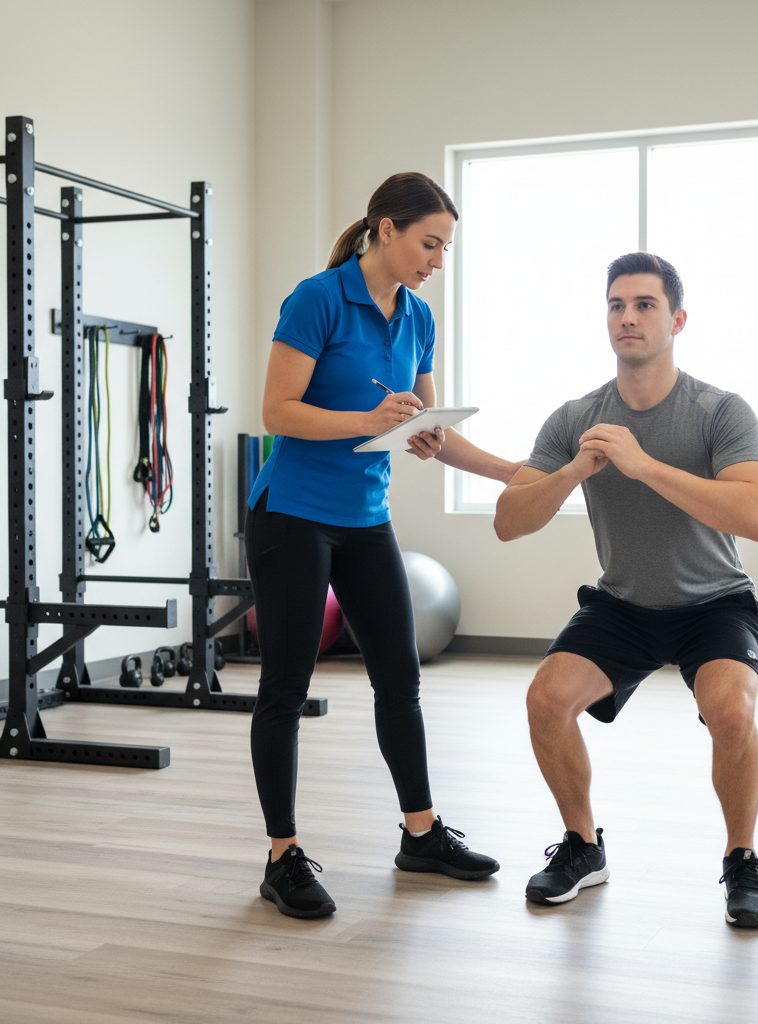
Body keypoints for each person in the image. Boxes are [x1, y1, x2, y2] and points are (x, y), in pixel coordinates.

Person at [246, 172, 520, 918]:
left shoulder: (418, 319)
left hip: (366, 518)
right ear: (387, 229)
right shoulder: (318, 298)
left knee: (400, 680)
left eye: (444, 247)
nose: (436, 258)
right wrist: (372, 417)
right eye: (429, 242)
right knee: (286, 689)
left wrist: (509, 471)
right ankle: (282, 856)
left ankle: (421, 834)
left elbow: (426, 426)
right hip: (294, 514)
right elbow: (278, 411)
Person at [493, 252, 758, 927]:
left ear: (677, 319)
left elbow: (757, 517)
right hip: (623, 604)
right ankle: (582, 846)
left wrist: (644, 466)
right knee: (545, 701)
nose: (628, 317)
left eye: (644, 305)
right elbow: (510, 521)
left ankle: (742, 858)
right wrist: (573, 472)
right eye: (616, 305)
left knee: (732, 713)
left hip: (714, 603)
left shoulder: (719, 411)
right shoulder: (577, 417)